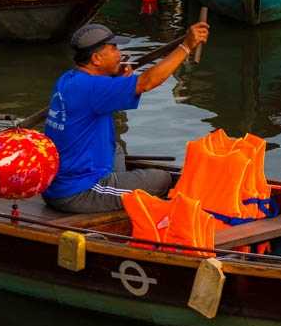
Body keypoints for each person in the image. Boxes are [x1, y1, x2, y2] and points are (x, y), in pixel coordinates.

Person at [42, 20, 212, 214]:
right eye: (113, 49)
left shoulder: (68, 79)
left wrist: (115, 80)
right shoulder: (94, 89)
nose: (119, 55)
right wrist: (186, 46)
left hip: (59, 183)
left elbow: (96, 96)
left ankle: (118, 186)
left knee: (116, 149)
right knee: (162, 180)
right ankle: (116, 193)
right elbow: (147, 82)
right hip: (78, 192)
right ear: (96, 59)